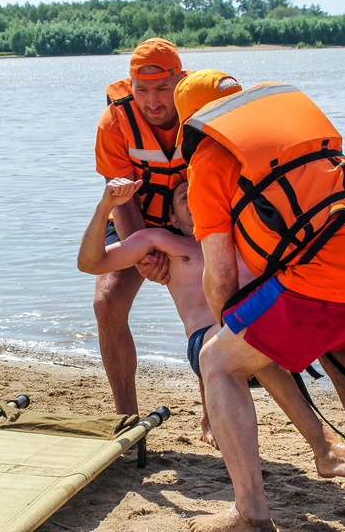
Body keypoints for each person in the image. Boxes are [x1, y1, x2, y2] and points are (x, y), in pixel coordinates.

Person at [175, 70, 345, 532]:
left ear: (194, 121)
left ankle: (250, 512)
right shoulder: (297, 139)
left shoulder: (209, 157)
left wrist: (233, 337)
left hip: (326, 273)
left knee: (217, 361)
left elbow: (221, 274)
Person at [78, 177, 345, 479]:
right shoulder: (162, 242)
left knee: (323, 324)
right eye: (184, 198)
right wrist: (104, 204)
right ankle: (323, 447)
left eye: (198, 194)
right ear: (172, 215)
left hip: (260, 336)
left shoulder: (241, 237)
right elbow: (90, 263)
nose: (193, 201)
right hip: (210, 343)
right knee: (245, 335)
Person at [93, 38, 188, 416]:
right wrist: (143, 256)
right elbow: (122, 196)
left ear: (180, 81)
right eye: (143, 91)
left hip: (192, 217)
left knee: (211, 306)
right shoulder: (114, 121)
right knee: (106, 303)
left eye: (163, 89)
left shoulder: (204, 110)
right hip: (134, 216)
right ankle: (126, 415)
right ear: (131, 87)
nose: (153, 102)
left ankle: (212, 415)